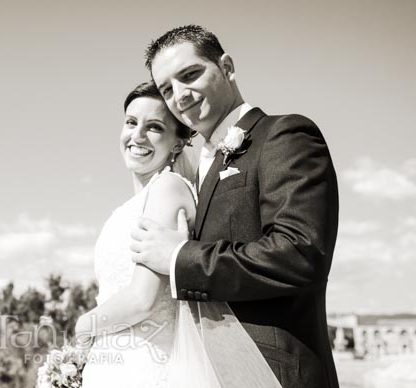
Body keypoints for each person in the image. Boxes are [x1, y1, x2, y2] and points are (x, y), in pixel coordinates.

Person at [130, 25, 341, 388]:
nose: (180, 96)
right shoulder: (193, 173)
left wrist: (179, 258)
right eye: (167, 89)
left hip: (273, 374)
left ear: (226, 67)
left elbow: (299, 253)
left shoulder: (284, 136)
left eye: (190, 75)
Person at [73, 81, 279, 388]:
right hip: (115, 362)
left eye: (154, 127)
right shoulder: (132, 204)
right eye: (131, 122)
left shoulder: (167, 189)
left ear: (178, 143)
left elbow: (143, 299)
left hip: (147, 366)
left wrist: (84, 325)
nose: (137, 135)